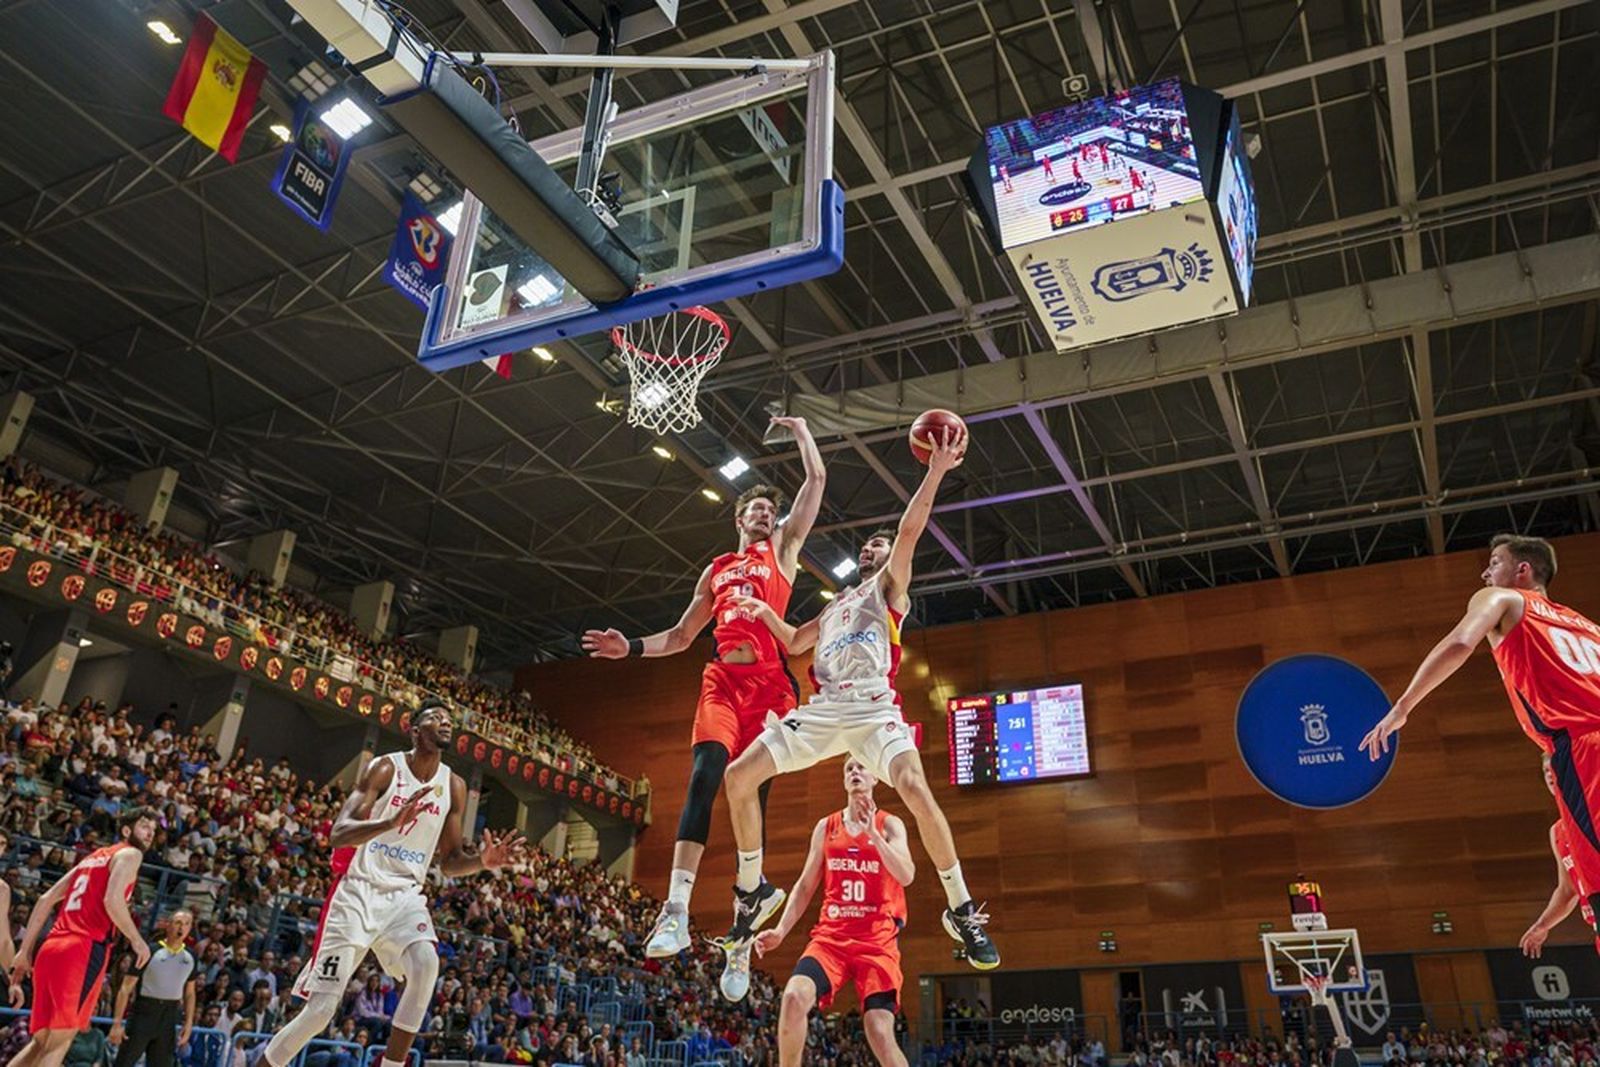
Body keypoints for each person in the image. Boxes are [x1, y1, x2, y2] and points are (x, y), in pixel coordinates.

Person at [719, 425, 1000, 981]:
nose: (872, 548)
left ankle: (961, 909)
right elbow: (796, 642)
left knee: (917, 789)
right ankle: (751, 890)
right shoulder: (836, 607)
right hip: (824, 710)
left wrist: (936, 471)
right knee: (737, 777)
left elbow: (910, 529)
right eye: (867, 545)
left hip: (874, 710)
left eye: (877, 544)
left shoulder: (888, 589)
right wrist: (761, 612)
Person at [581, 415, 826, 957]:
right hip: (722, 680)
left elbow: (815, 484)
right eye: (756, 510)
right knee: (705, 772)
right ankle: (675, 910)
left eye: (770, 511)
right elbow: (680, 635)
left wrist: (804, 433)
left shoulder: (782, 552)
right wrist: (631, 648)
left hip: (769, 685)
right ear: (739, 518)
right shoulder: (716, 569)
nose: (765, 515)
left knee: (752, 792)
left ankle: (748, 901)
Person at [261, 703, 526, 1067]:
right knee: (320, 1011)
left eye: (449, 719)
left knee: (426, 963)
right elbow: (338, 834)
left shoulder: (454, 785)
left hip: (405, 896)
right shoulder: (385, 768)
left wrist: (482, 861)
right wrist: (389, 821)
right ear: (414, 730)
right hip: (358, 892)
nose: (445, 722)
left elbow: (449, 864)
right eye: (435, 717)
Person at [1361, 534, 1600, 929]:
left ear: (1521, 570)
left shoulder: (1504, 599)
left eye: (1494, 562)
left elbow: (1459, 642)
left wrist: (1401, 708)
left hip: (1583, 749)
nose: (1485, 572)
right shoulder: (1589, 627)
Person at [749, 758, 914, 1066]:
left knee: (879, 1031)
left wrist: (875, 838)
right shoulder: (826, 826)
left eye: (861, 767)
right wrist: (781, 931)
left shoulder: (890, 825)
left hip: (876, 943)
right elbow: (804, 886)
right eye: (848, 768)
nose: (854, 772)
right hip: (831, 941)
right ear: (843, 780)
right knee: (793, 998)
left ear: (875, 778)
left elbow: (907, 875)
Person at [8, 807, 155, 1067]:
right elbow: (112, 900)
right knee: (61, 1041)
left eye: (154, 829)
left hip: (51, 947)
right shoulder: (130, 854)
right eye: (144, 826)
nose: (151, 832)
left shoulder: (92, 859)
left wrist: (24, 951)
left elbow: (45, 899)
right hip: (82, 948)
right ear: (126, 830)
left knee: (41, 1043)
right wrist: (136, 939)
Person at [1520, 752, 1600, 957]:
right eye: (1546, 771)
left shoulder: (1594, 815)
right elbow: (1567, 890)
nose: (1549, 775)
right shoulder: (1557, 831)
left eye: (1554, 769)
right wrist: (1543, 925)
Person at [110, 908, 197, 1067]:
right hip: (143, 1013)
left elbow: (190, 993)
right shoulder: (149, 951)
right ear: (168, 925)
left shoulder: (191, 957)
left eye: (186, 924)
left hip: (170, 1016)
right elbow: (125, 988)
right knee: (123, 1063)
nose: (181, 928)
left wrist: (188, 1022)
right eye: (178, 923)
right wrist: (117, 1023)